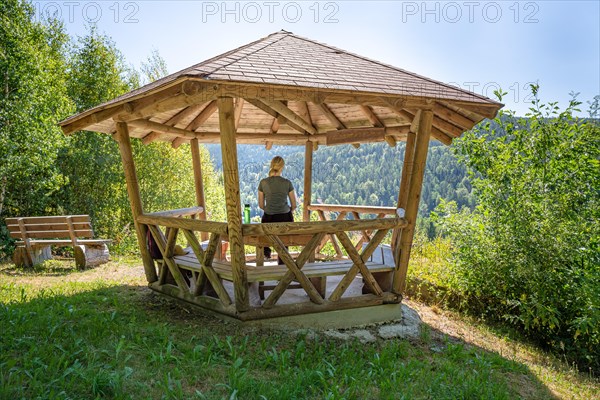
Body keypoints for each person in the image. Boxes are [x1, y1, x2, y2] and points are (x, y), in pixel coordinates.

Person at [258, 156, 297, 264]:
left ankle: (266, 251)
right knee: (284, 244)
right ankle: (282, 264)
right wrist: (287, 209)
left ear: (271, 165)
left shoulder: (263, 182)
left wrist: (270, 208)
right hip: (285, 218)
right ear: (282, 167)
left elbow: (261, 205)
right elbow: (294, 205)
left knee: (265, 233)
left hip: (269, 218)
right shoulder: (287, 183)